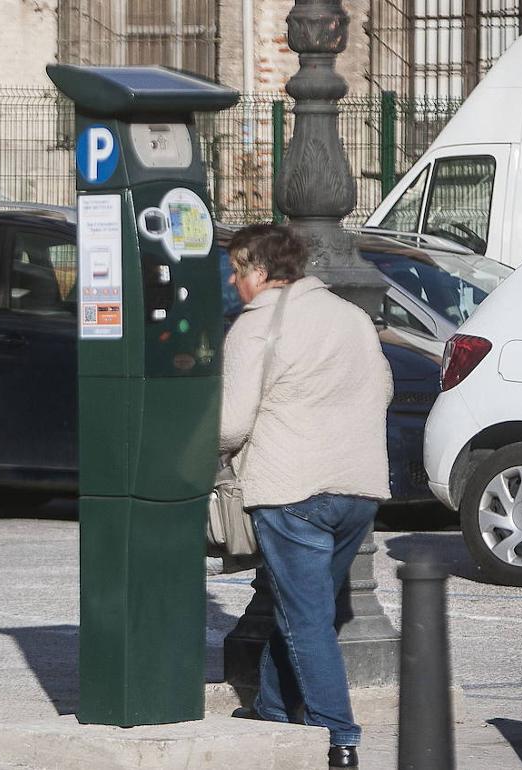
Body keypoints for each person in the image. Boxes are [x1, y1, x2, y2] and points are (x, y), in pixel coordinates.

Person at [219, 225, 392, 770]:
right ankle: (272, 711)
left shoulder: (254, 328)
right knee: (300, 608)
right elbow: (382, 387)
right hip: (358, 489)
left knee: (305, 617)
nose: (234, 279)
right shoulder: (352, 317)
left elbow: (230, 425)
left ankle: (339, 737)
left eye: (239, 268)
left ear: (264, 272)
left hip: (293, 488)